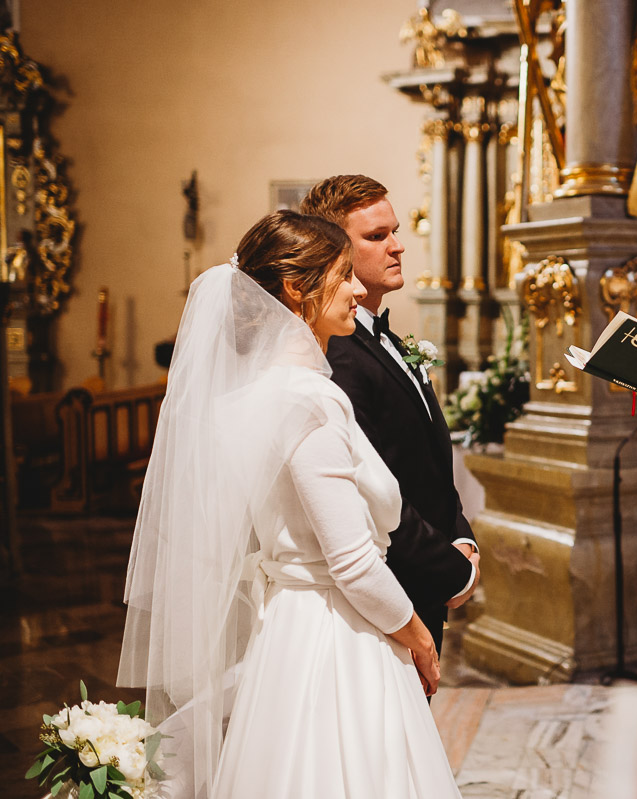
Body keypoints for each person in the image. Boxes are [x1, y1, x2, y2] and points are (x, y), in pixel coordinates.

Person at [118, 211, 462, 798]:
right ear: (297, 291)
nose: (357, 290)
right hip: (340, 640)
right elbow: (352, 563)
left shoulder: (249, 395)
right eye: (342, 276)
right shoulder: (310, 399)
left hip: (289, 630)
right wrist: (420, 638)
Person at [301, 176, 479, 656]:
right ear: (334, 251)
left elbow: (427, 465)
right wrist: (450, 572)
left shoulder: (386, 338)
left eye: (394, 232)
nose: (398, 247)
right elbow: (371, 495)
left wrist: (462, 536)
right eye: (377, 237)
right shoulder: (336, 355)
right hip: (388, 599)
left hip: (424, 577)